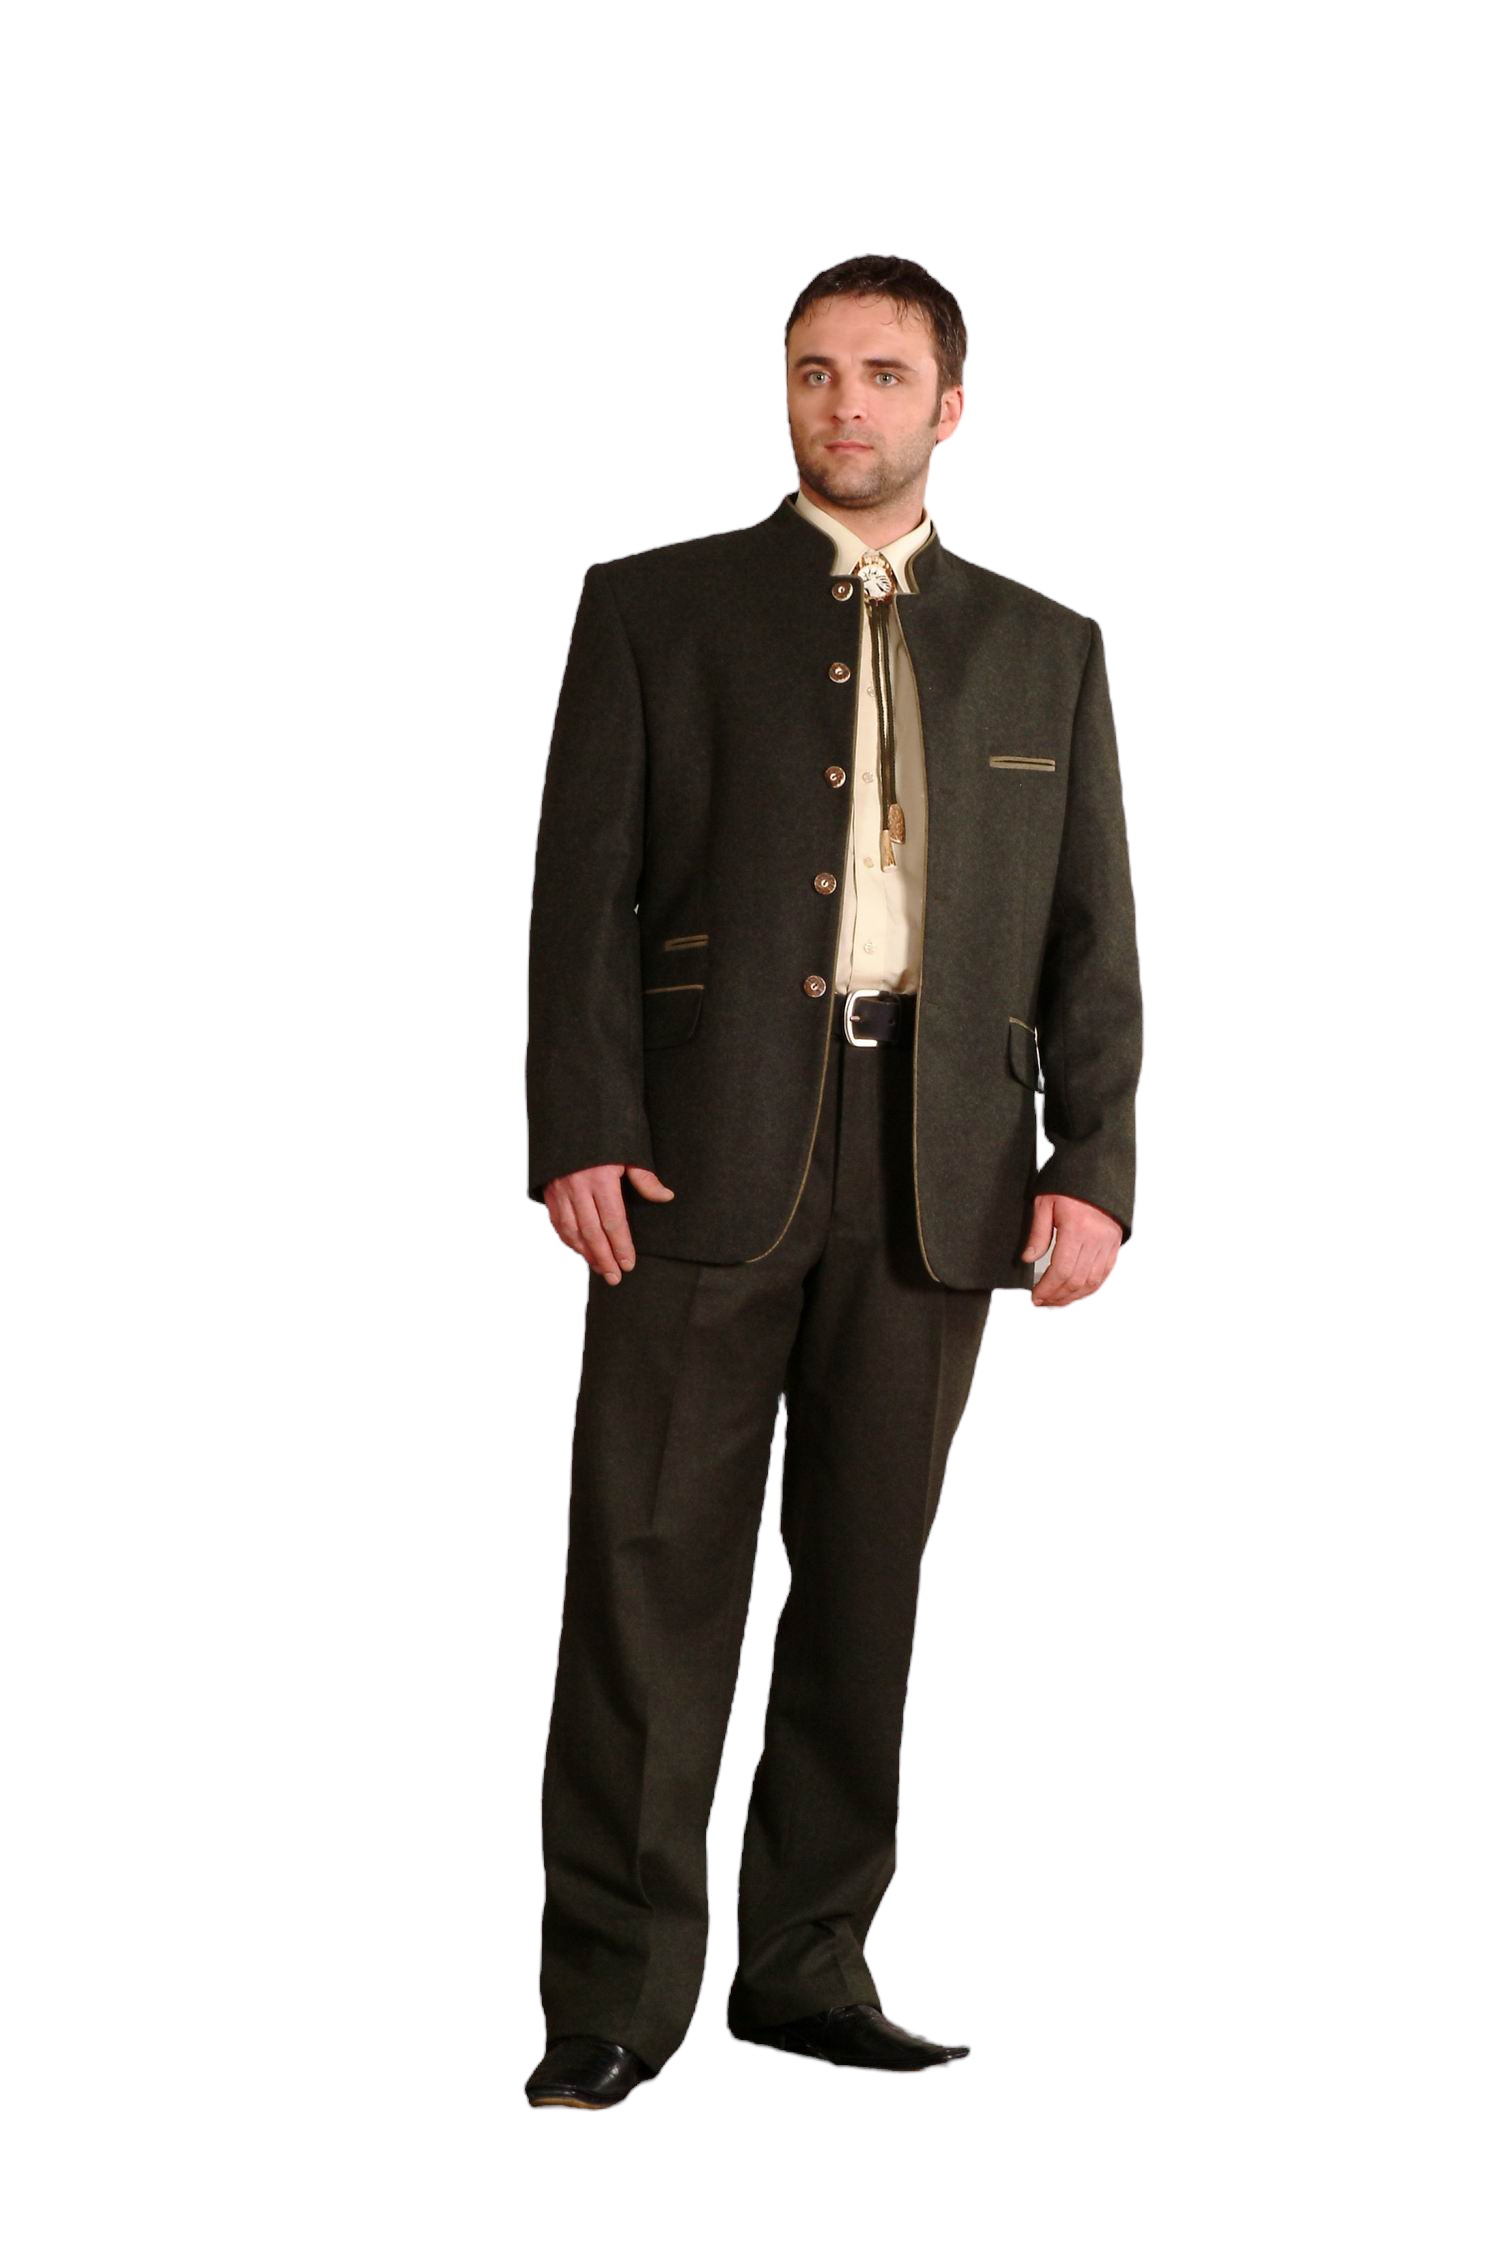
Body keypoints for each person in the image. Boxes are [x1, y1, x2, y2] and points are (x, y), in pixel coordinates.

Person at [522, 254, 1142, 2110]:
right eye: (813, 371)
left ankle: (807, 1967)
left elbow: (1092, 930)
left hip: (944, 1171)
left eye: (880, 373)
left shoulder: (1047, 648)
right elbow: (582, 893)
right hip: (691, 1156)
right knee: (647, 1572)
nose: (842, 403)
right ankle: (612, 1999)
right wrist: (578, 1124)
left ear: (949, 405)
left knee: (866, 1584)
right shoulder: (654, 608)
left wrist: (1094, 1160)